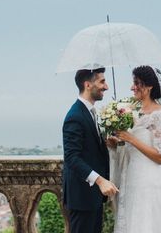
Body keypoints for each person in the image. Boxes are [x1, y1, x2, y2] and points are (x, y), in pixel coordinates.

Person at [108, 65, 161, 233]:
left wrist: (130, 138)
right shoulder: (132, 111)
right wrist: (116, 143)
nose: (132, 87)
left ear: (150, 86)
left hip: (149, 182)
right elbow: (129, 145)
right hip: (131, 178)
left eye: (137, 83)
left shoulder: (159, 115)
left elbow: (160, 157)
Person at [63, 66, 119, 233]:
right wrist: (101, 181)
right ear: (88, 85)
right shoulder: (75, 116)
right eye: (102, 81)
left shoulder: (90, 112)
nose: (106, 87)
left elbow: (88, 147)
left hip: (92, 197)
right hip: (82, 198)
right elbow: (72, 157)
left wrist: (105, 142)